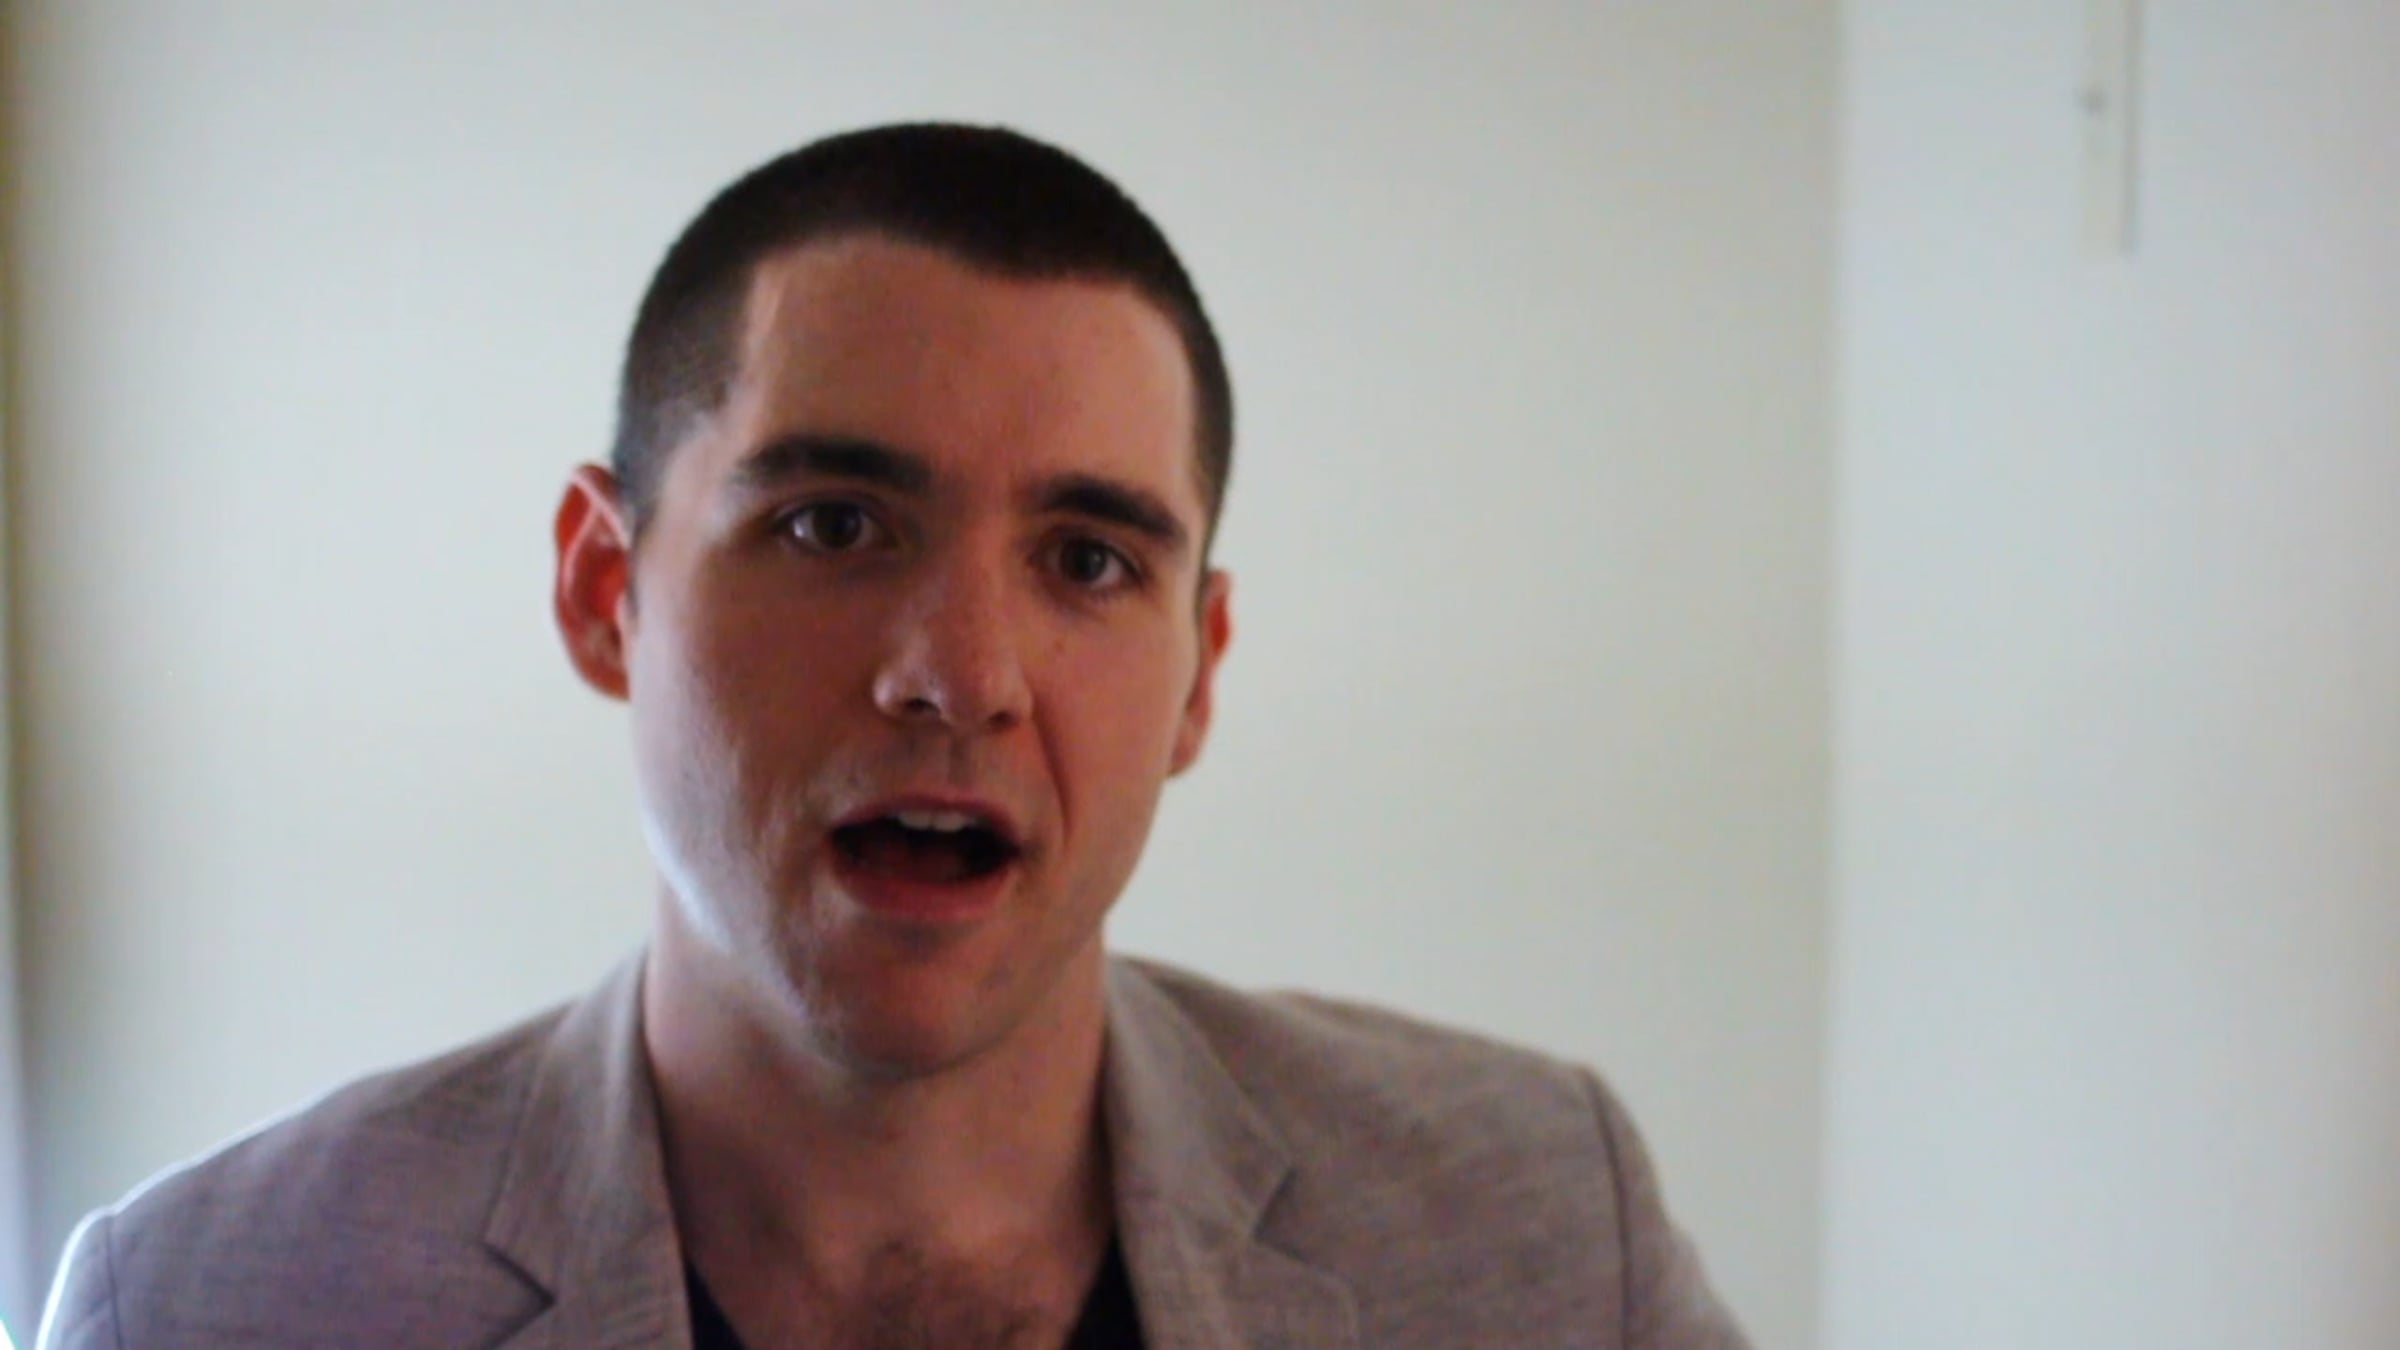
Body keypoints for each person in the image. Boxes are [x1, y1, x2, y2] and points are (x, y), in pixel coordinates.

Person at [36, 123, 1748, 1349]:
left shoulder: (1540, 1234)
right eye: (835, 526)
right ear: (604, 589)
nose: (961, 675)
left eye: (1089, 560)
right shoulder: (206, 1306)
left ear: (1199, 676)